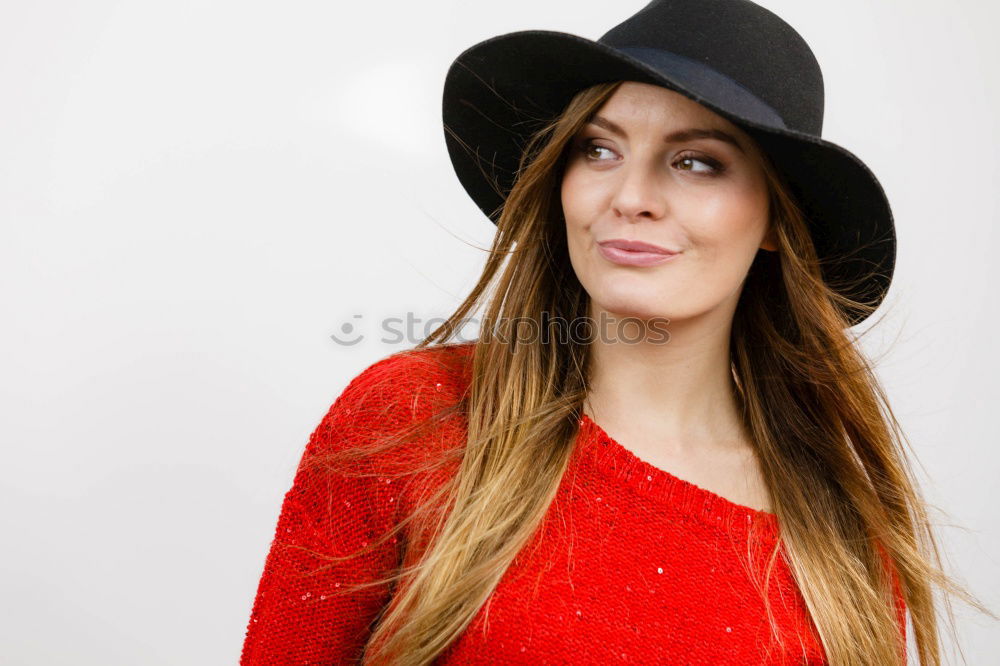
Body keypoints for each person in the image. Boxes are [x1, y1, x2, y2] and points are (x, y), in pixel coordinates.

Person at [239, 1, 990, 664]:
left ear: (774, 219)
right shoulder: (415, 420)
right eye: (598, 149)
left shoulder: (837, 532)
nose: (630, 196)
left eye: (697, 162)